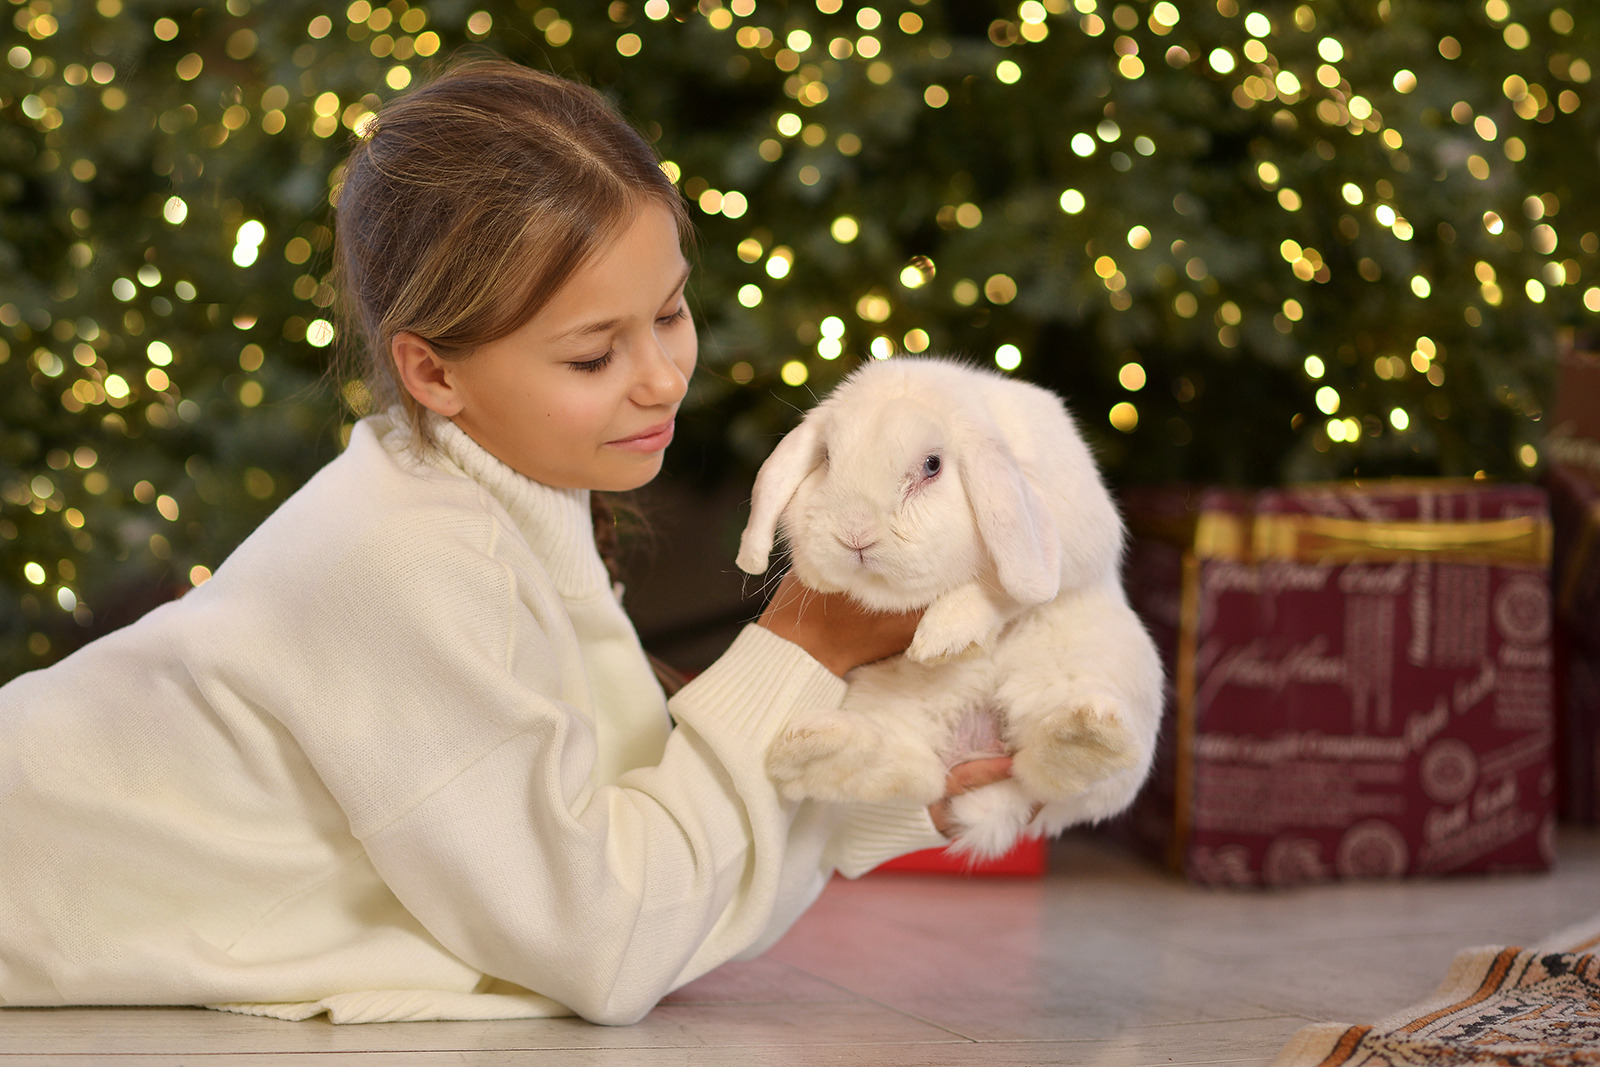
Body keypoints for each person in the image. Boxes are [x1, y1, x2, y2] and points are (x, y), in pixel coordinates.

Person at [0, 59, 1011, 1026]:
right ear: (434, 373)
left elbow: (613, 847)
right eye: (594, 354)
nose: (664, 377)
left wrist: (863, 804)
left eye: (669, 312)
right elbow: (606, 940)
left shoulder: (506, 498)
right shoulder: (406, 558)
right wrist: (802, 644)